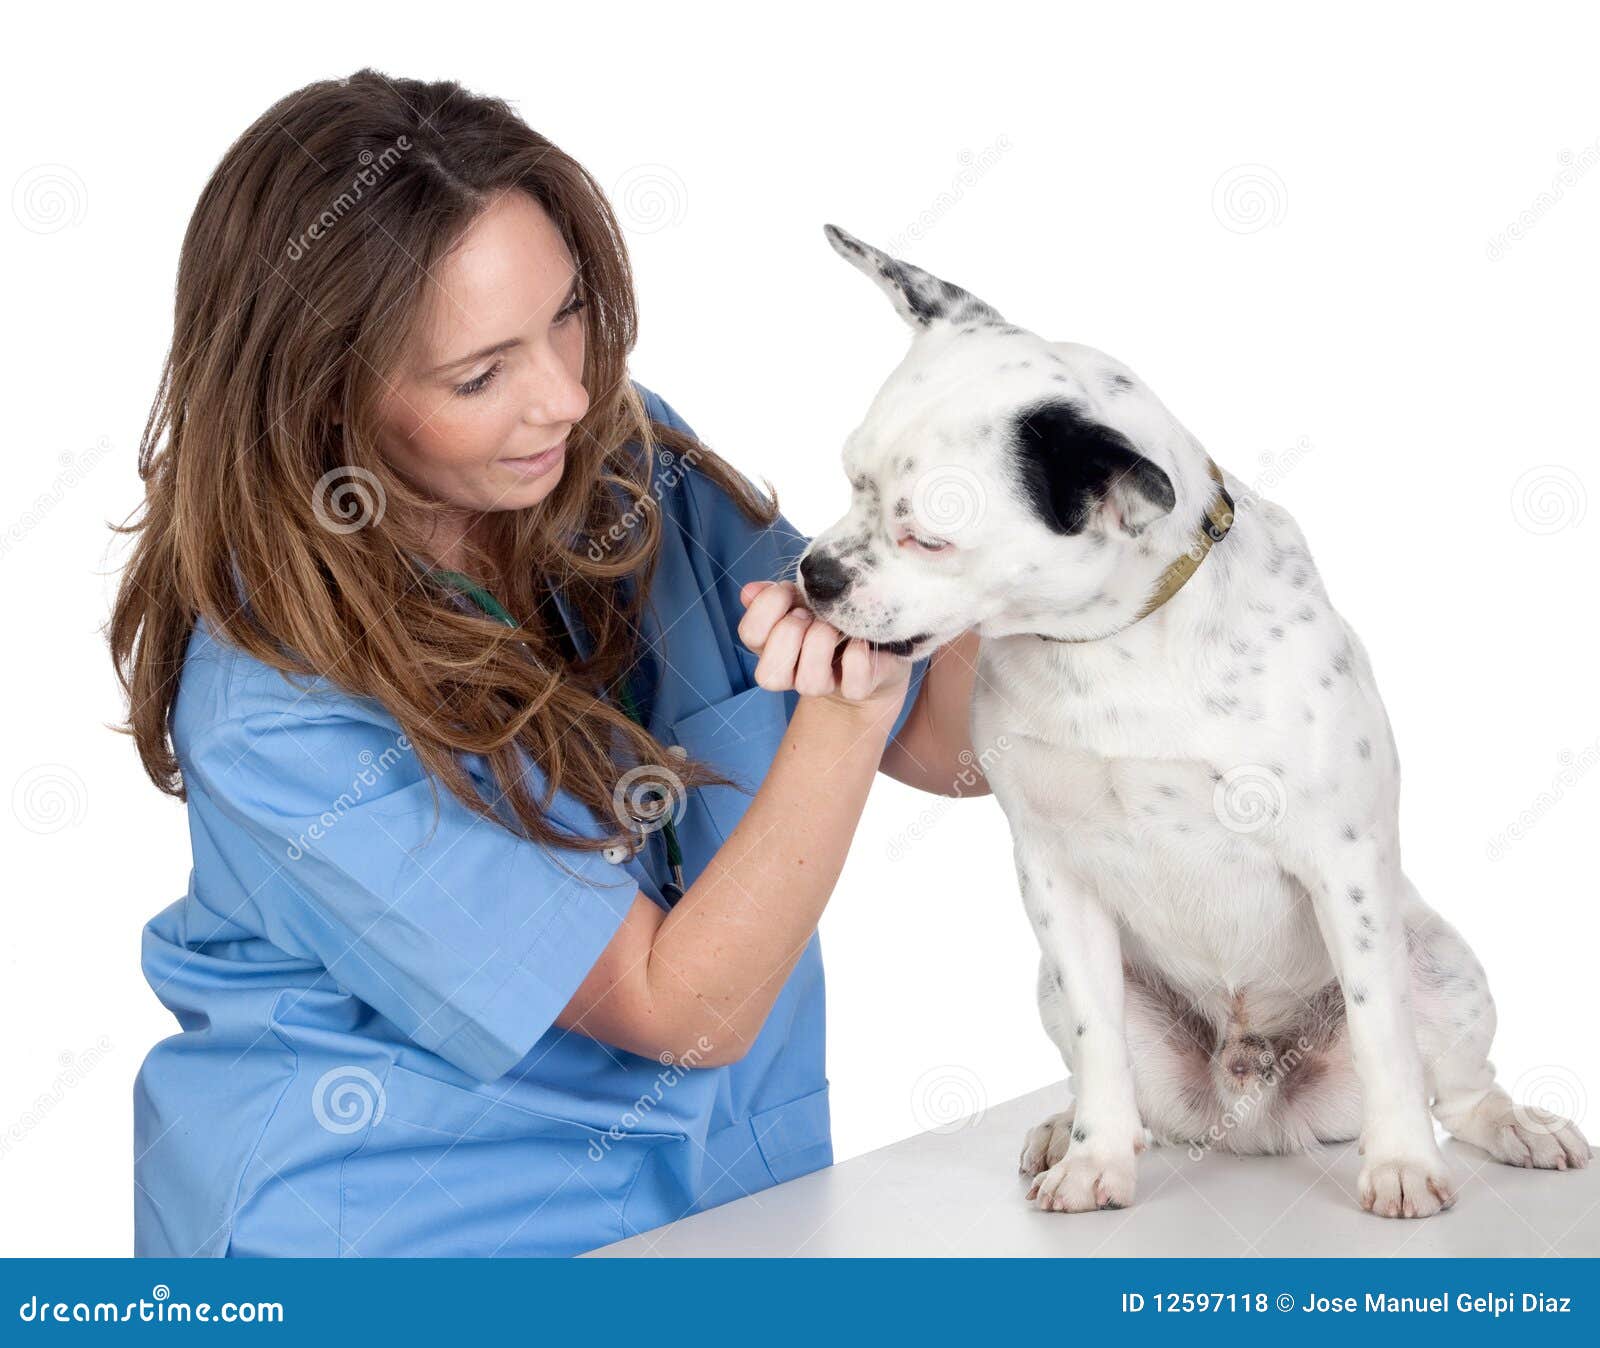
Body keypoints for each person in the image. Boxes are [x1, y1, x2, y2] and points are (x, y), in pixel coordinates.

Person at [109, 69, 982, 1257]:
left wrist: (993, 520)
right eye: (481, 375)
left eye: (566, 313)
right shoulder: (275, 709)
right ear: (325, 402)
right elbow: (679, 1009)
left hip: (720, 1203)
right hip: (401, 1243)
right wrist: (841, 718)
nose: (566, 394)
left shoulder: (619, 468)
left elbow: (949, 745)